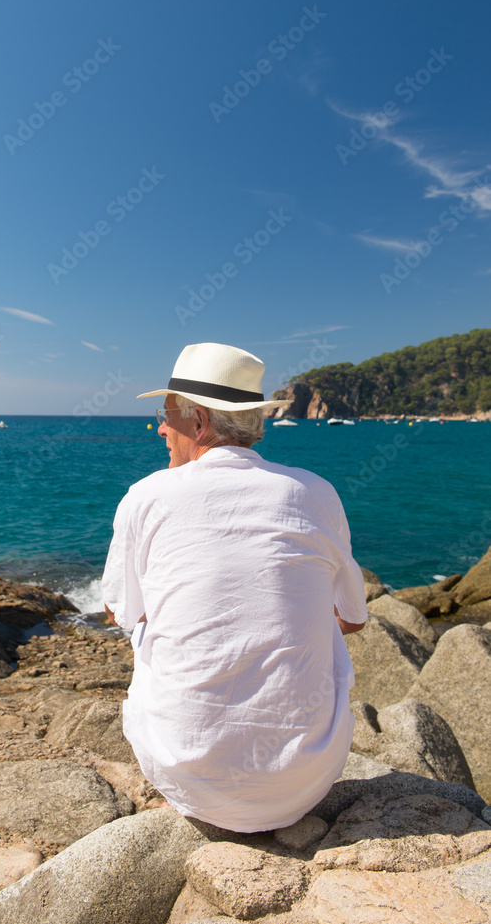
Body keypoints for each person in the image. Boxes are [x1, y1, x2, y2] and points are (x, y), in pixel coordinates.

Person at [102, 342, 367, 833]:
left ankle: (202, 750)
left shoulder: (147, 496)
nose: (160, 428)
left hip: (186, 775)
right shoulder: (316, 492)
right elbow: (352, 618)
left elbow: (119, 611)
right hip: (306, 781)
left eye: (167, 416)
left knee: (145, 628)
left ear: (198, 422)